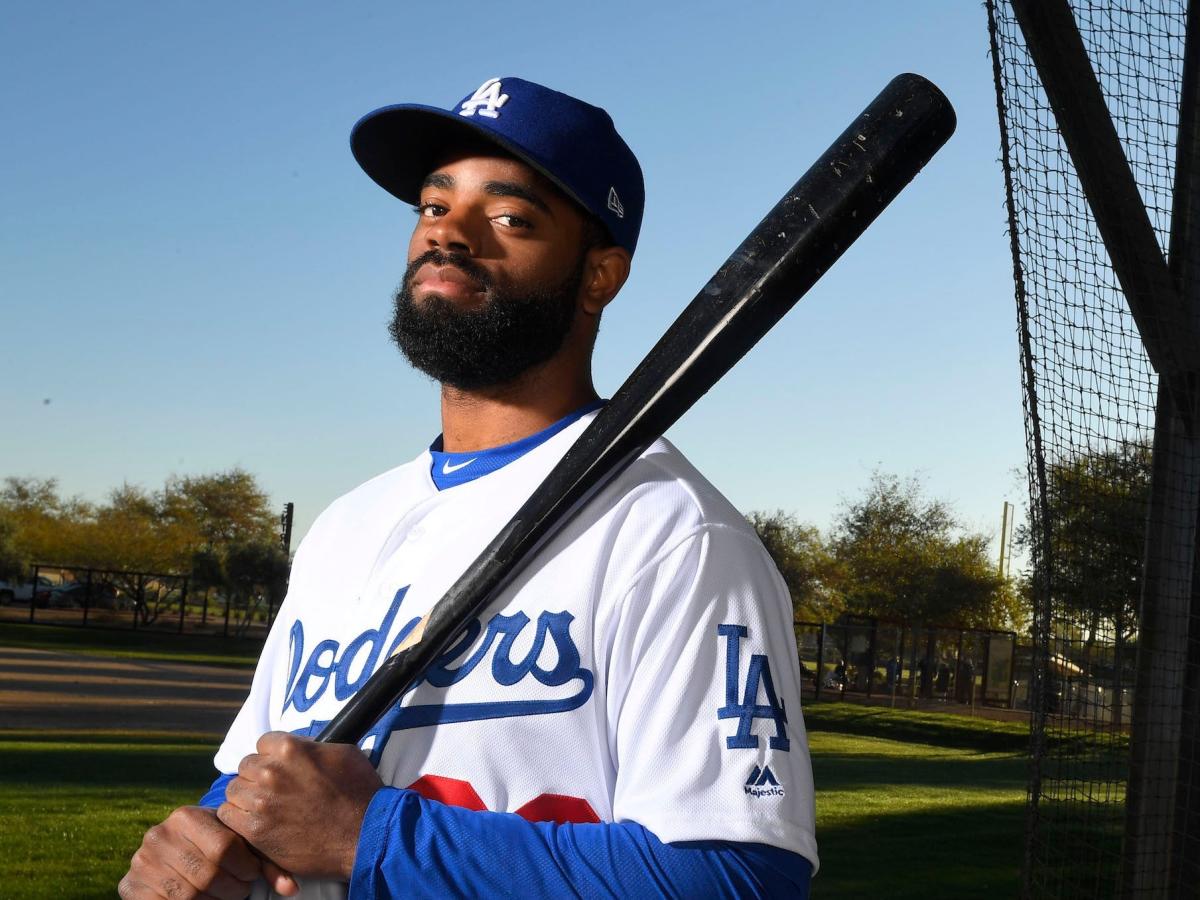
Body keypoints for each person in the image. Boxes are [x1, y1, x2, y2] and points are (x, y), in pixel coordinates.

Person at [120, 76, 818, 899]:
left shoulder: (673, 535)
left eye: (510, 217)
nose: (449, 234)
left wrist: (374, 837)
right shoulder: (347, 528)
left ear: (600, 276)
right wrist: (199, 851)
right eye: (432, 205)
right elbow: (267, 786)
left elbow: (738, 876)